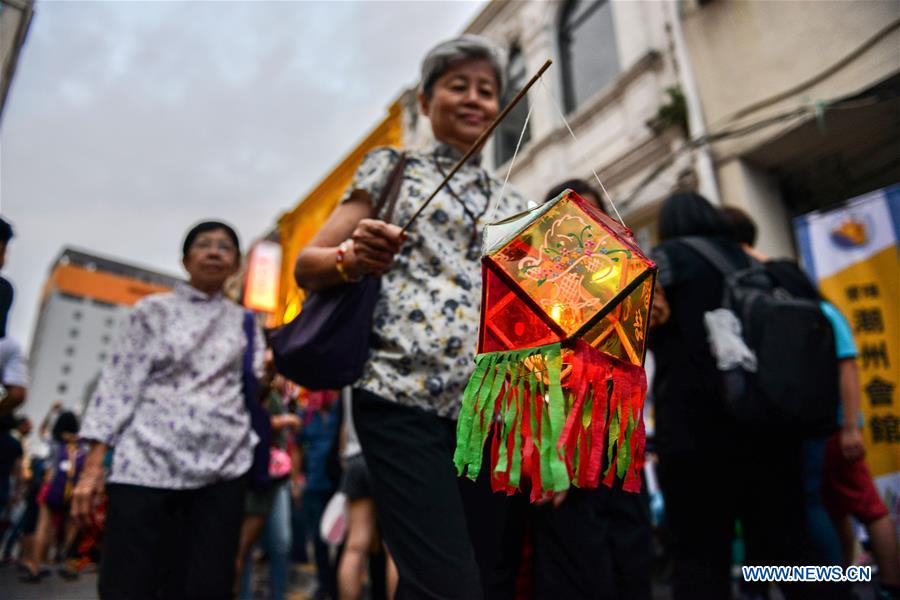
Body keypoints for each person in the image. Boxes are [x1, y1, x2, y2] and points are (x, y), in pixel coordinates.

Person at [294, 34, 529, 599]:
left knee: (480, 576)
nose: (474, 99)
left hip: (488, 412)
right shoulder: (393, 168)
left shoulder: (518, 203)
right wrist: (354, 257)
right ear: (425, 102)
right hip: (400, 395)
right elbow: (308, 265)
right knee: (448, 583)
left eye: (487, 90)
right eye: (458, 86)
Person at [648, 192, 833, 600]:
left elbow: (639, 330)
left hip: (695, 436)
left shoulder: (668, 260)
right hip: (768, 428)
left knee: (700, 556)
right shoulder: (752, 262)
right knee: (792, 551)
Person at [70, 221, 265, 599]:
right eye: (204, 245)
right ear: (185, 259)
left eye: (224, 247)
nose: (213, 252)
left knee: (205, 584)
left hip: (222, 467)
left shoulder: (245, 322)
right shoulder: (152, 311)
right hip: (146, 463)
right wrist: (92, 468)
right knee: (130, 582)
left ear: (236, 263)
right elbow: (118, 384)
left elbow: (253, 387)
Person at [723, 206, 900, 599]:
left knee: (868, 507)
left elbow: (848, 367)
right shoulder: (806, 314)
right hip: (822, 427)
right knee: (832, 507)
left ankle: (888, 585)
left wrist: (850, 426)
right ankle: (844, 581)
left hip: (835, 428)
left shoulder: (820, 314)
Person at [236, 351, 300, 600]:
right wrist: (284, 421)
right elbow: (253, 421)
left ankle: (277, 594)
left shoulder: (281, 391)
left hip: (277, 476)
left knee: (280, 542)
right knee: (245, 547)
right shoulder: (254, 388)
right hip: (253, 475)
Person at [337, 386, 397, 600]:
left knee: (354, 546)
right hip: (390, 456)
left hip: (356, 456)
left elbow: (345, 424)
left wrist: (345, 459)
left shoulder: (351, 358)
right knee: (395, 550)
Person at [20, 410, 85, 582]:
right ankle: (70, 566)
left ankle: (35, 566)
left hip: (53, 489)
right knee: (72, 527)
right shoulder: (81, 444)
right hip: (72, 492)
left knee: (43, 527)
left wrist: (50, 411)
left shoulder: (55, 441)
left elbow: (42, 431)